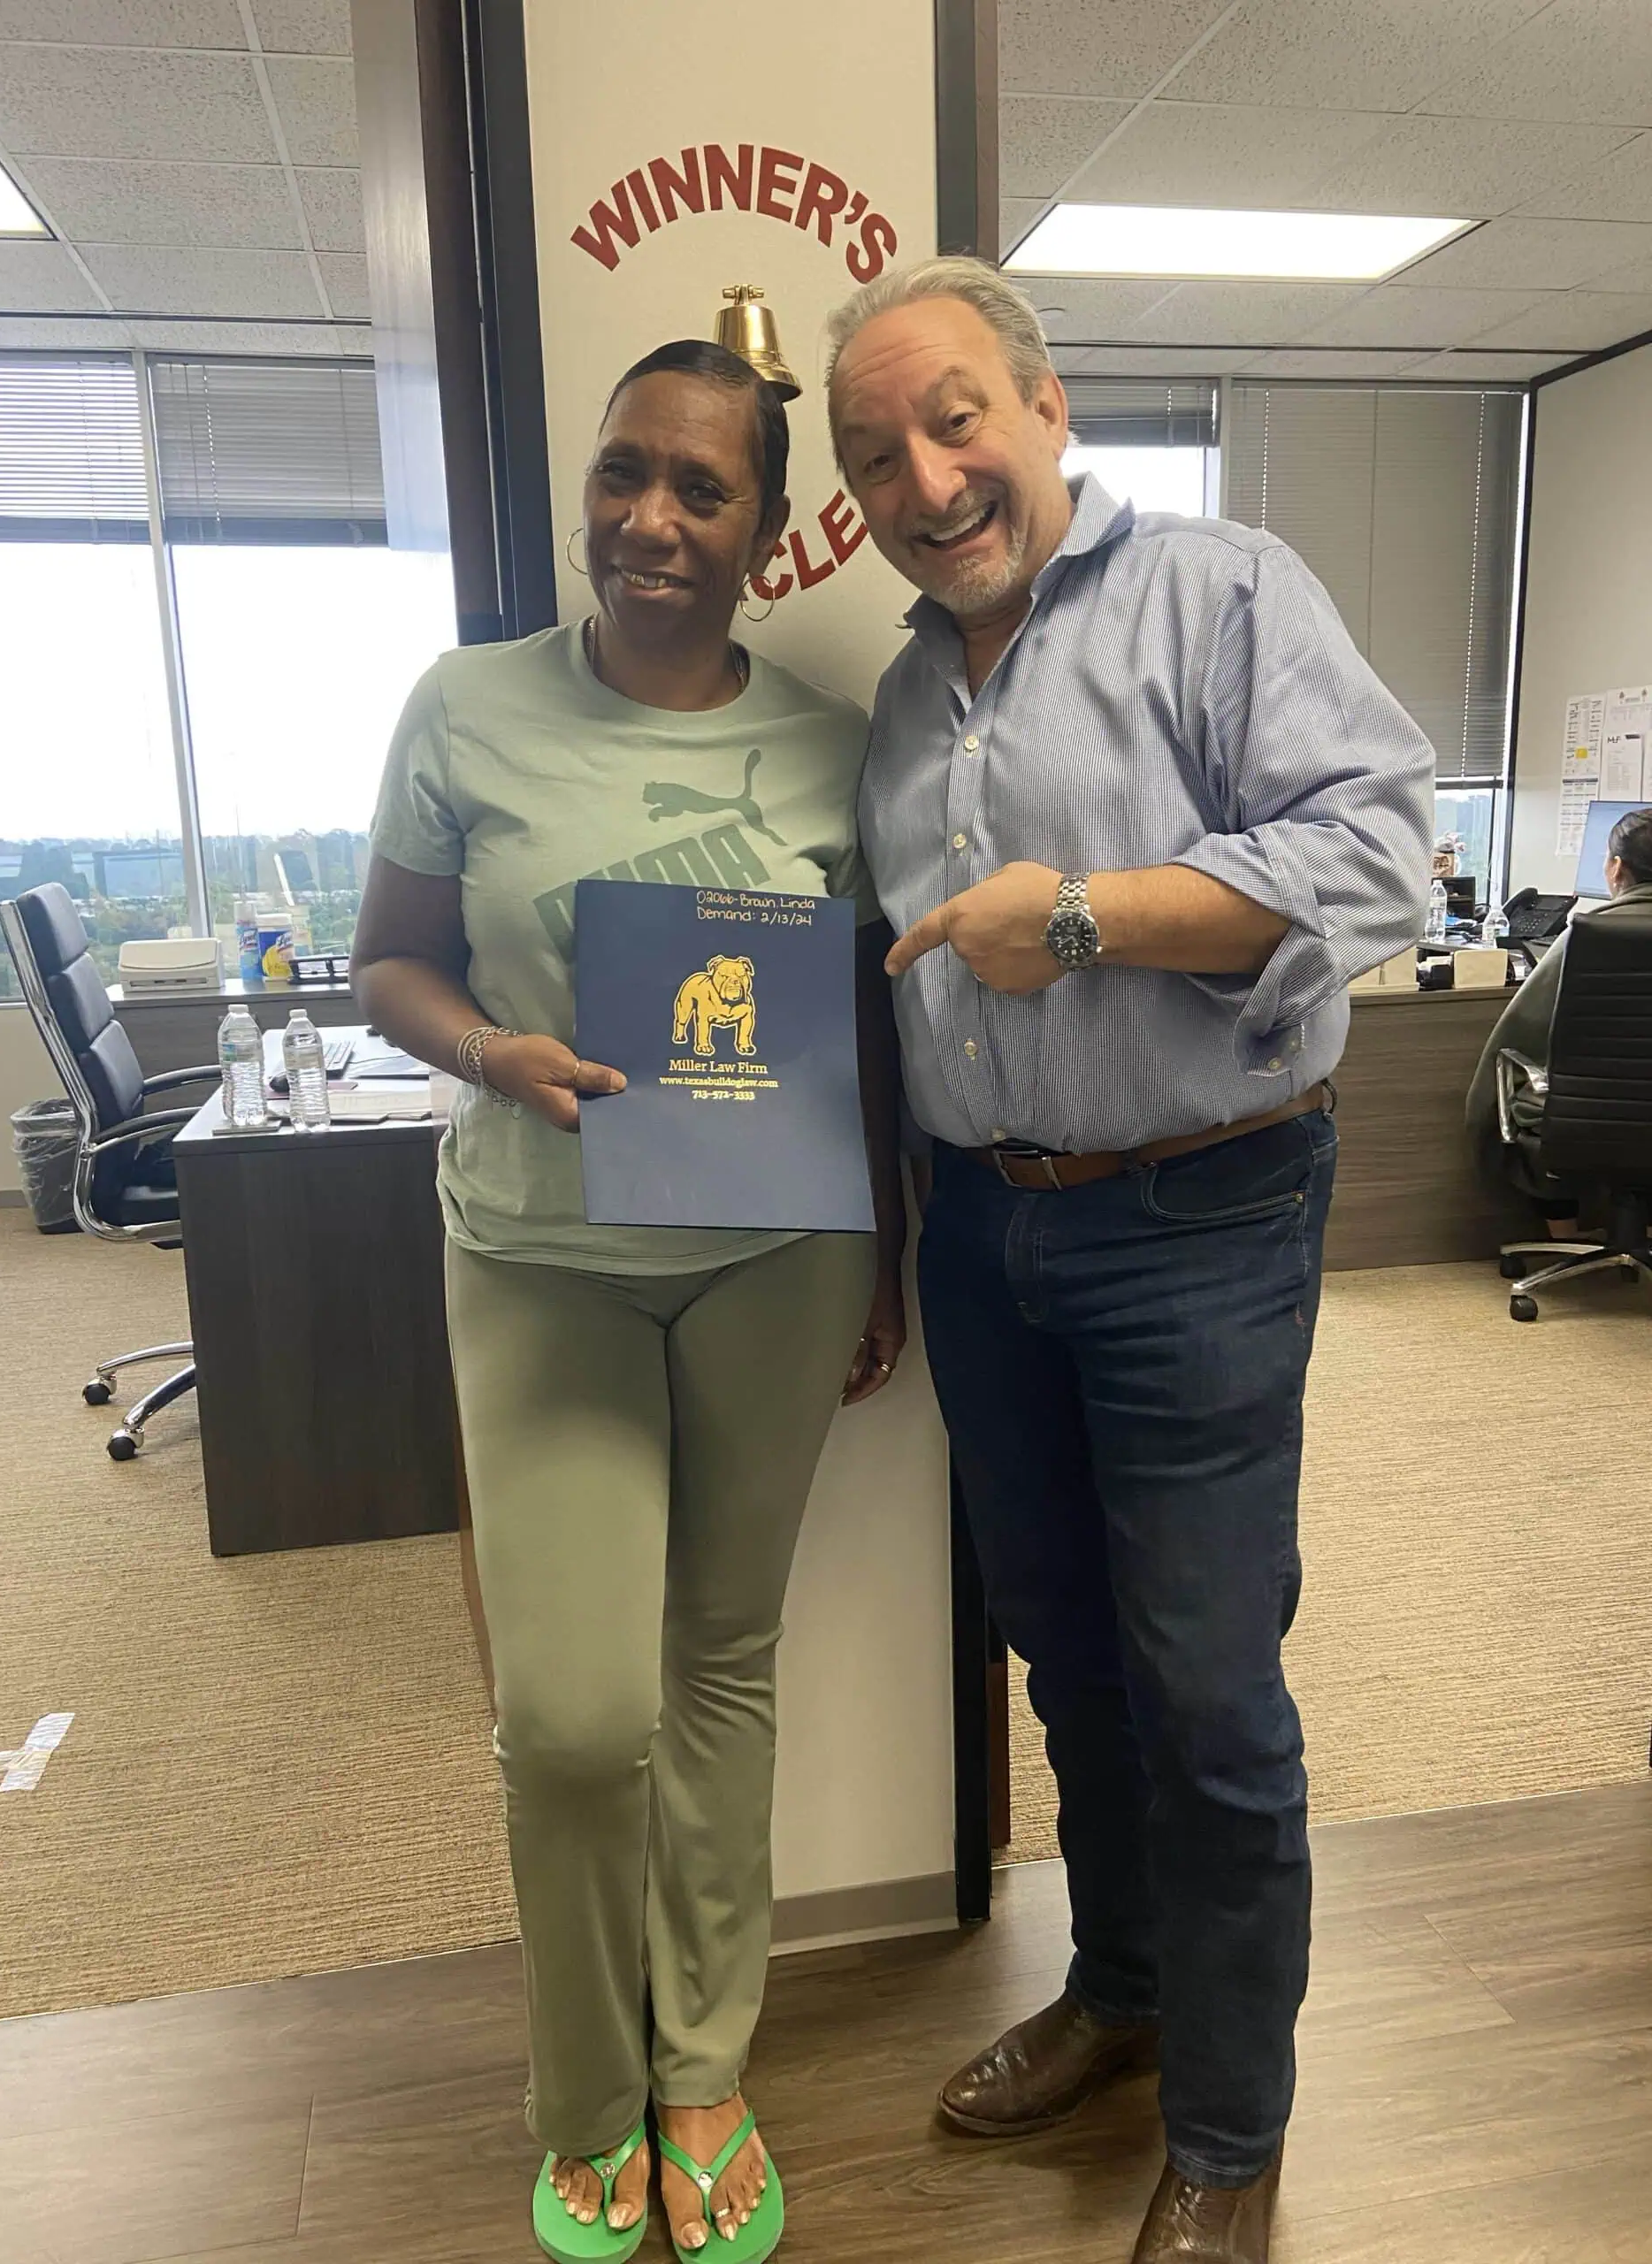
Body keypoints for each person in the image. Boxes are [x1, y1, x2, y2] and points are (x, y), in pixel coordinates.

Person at [824, 256, 1433, 2264]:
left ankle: (1232, 2131)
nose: (922, 475)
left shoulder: (1222, 592)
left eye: (953, 417)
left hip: (1201, 1208)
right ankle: (1122, 1984)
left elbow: (1381, 855)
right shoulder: (907, 694)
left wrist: (1081, 916)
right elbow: (905, 994)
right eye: (873, 449)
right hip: (989, 1223)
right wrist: (896, 1237)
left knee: (1203, 1686)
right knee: (1066, 1653)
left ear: (1043, 404)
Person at [352, 336, 906, 2264]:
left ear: (767, 526)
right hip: (541, 1252)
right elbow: (385, 969)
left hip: (772, 1254)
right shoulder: (466, 705)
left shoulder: (834, 742)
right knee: (578, 1716)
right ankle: (583, 2090)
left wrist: (885, 1250)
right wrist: (493, 1051)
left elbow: (859, 1032)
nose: (652, 520)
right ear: (589, 483)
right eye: (625, 474)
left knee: (722, 1661)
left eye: (703, 489)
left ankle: (701, 2069)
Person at [1465, 805, 1652, 1239]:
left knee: (1520, 1098)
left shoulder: (1589, 936)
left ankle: (1565, 1235)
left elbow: (1517, 1036)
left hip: (1588, 1117)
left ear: (1616, 867)